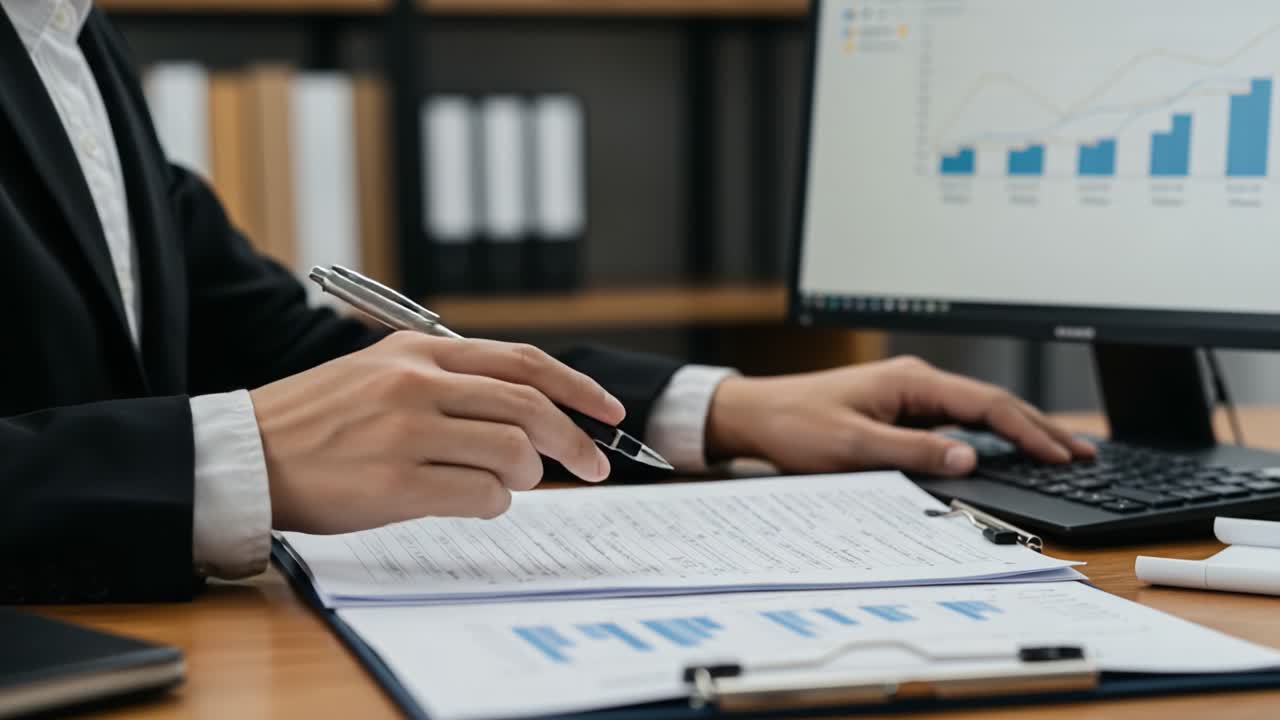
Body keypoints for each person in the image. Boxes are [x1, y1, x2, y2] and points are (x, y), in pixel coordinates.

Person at [0, 0, 1093, 603]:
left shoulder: (76, 36)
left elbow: (276, 343)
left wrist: (712, 408)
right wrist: (233, 458)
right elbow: (272, 408)